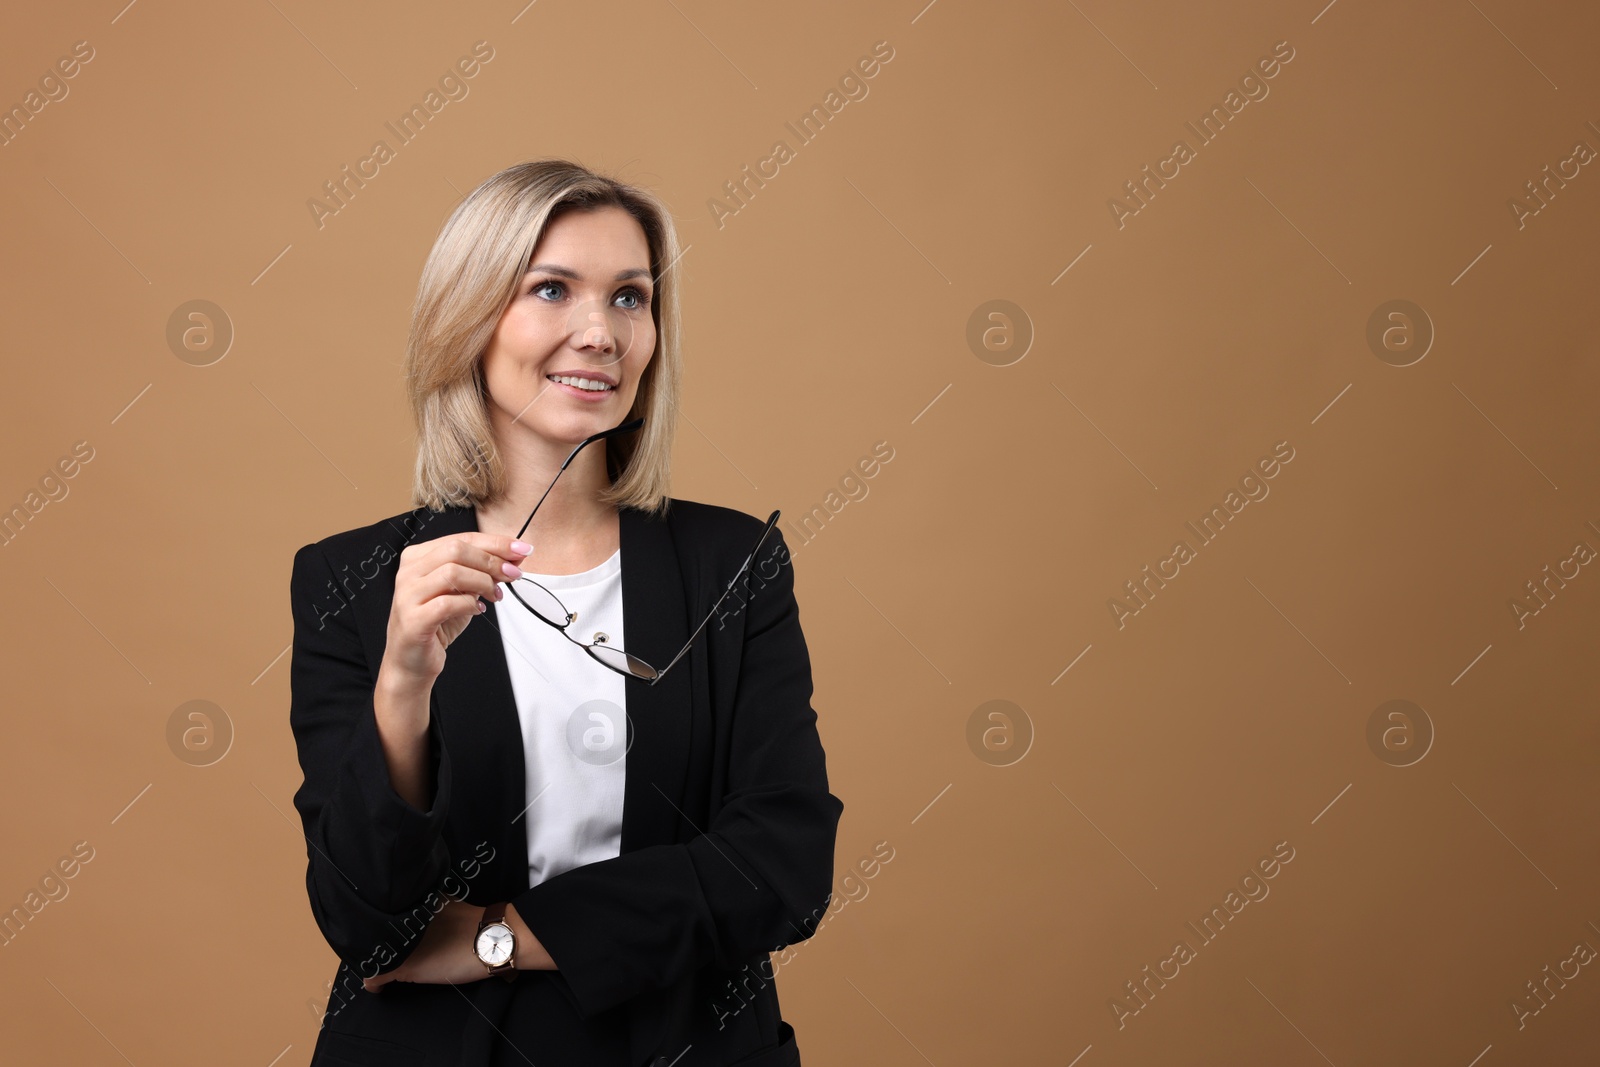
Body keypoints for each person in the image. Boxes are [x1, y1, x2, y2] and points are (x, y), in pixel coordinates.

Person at [287, 159, 842, 1066]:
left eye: (630, 297)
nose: (601, 332)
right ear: (468, 317)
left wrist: (495, 938)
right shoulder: (355, 580)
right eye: (552, 289)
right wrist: (401, 690)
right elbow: (366, 922)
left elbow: (782, 866)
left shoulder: (733, 563)